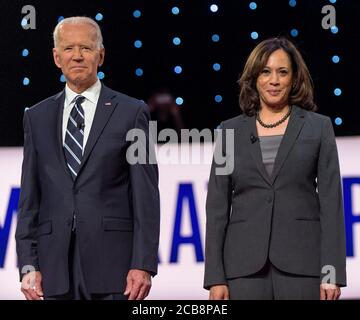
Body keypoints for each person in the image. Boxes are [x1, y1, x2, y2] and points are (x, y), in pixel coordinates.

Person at [15, 16, 160, 300]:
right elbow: (29, 199)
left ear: (101, 55)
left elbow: (146, 195)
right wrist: (28, 264)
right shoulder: (36, 117)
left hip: (114, 267)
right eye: (69, 49)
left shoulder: (132, 112)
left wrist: (142, 263)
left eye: (86, 48)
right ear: (57, 58)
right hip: (54, 268)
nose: (78, 56)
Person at [204, 37, 346, 300]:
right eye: (266, 72)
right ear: (254, 77)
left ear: (294, 79)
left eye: (283, 72)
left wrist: (331, 273)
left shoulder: (318, 127)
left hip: (303, 266)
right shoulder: (229, 132)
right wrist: (215, 277)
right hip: (243, 270)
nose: (274, 80)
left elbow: (332, 205)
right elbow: (216, 209)